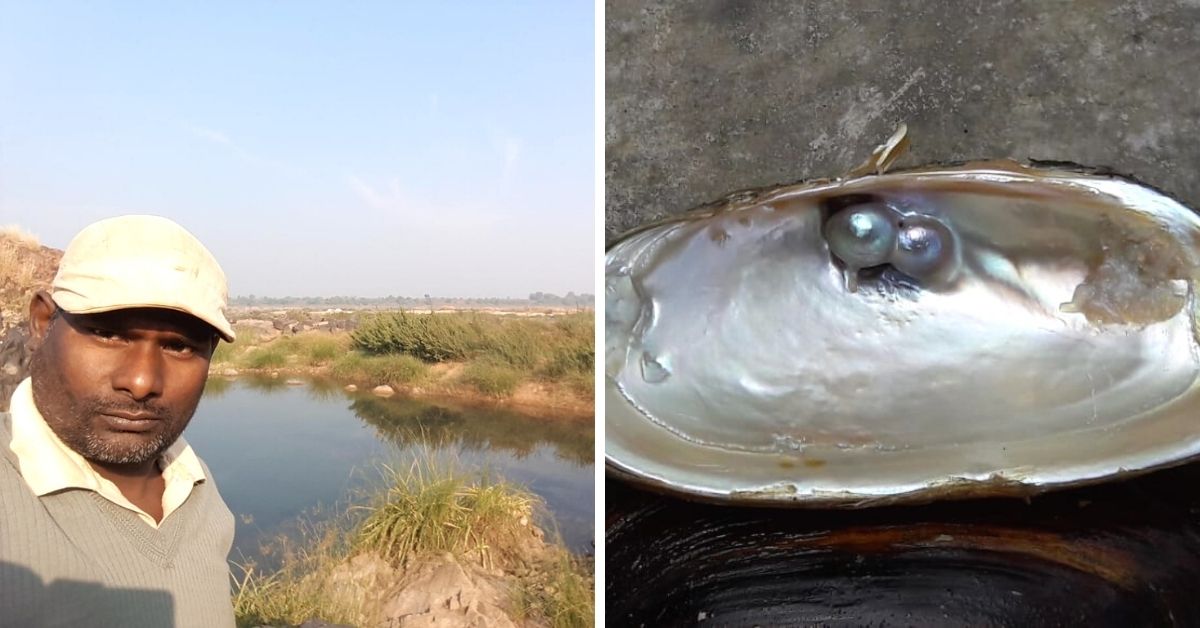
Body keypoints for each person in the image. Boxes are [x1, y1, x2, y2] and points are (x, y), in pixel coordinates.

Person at [0, 215, 238, 627]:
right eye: (108, 334)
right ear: (42, 323)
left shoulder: (194, 481)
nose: (142, 381)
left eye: (179, 346)